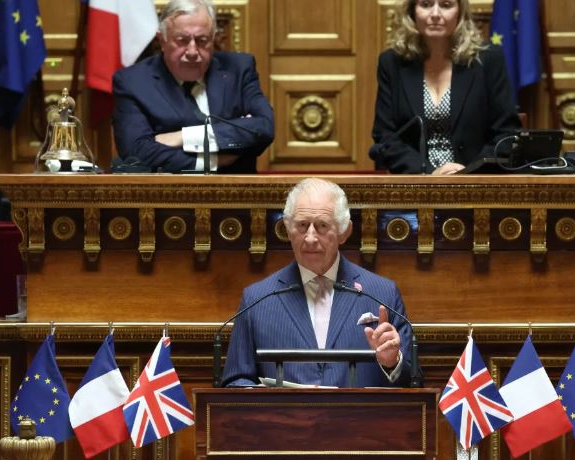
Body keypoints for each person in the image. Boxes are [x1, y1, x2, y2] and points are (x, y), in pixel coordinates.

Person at [222, 178, 416, 387]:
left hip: (360, 419)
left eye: (322, 226)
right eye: (302, 225)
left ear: (344, 232)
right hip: (283, 419)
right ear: (288, 230)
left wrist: (391, 362)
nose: (311, 238)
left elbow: (414, 382)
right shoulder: (257, 299)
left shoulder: (382, 294)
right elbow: (235, 380)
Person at [112, 0, 274, 173]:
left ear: (213, 38)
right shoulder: (133, 81)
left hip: (238, 193)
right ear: (162, 40)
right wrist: (211, 161)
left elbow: (263, 128)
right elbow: (136, 151)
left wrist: (183, 137)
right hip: (167, 195)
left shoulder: (239, 69)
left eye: (202, 40)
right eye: (182, 41)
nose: (192, 52)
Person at [372, 0, 522, 175]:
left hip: (476, 187)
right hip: (414, 185)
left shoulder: (488, 59)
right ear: (412, 11)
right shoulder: (392, 62)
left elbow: (507, 133)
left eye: (446, 5)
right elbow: (385, 137)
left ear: (460, 12)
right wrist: (430, 173)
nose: (435, 14)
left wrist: (468, 173)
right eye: (426, 4)